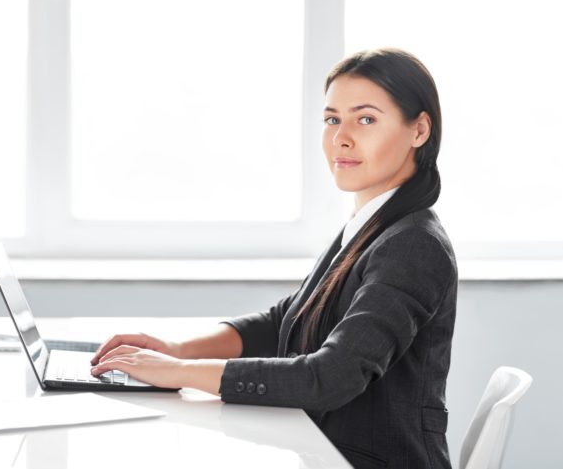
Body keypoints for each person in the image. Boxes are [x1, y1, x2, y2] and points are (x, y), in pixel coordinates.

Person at [90, 47, 458, 469]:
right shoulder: (371, 225)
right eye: (332, 119)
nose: (341, 136)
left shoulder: (413, 245)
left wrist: (177, 372)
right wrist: (178, 349)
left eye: (367, 119)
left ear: (419, 130)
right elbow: (287, 319)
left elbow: (329, 377)